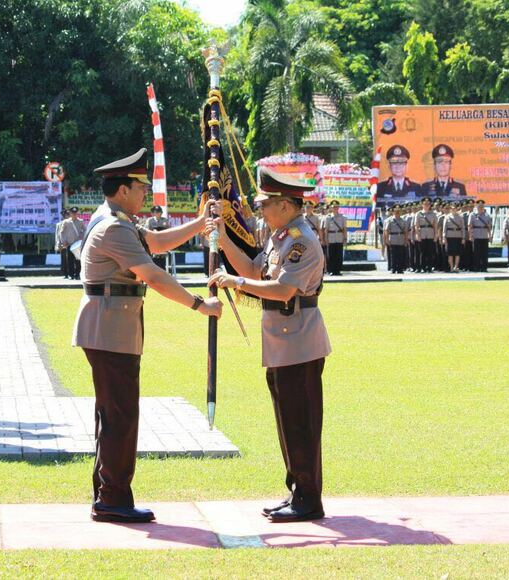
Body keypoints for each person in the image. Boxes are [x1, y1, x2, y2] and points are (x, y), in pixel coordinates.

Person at [72, 148, 222, 523]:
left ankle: (108, 492)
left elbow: (155, 243)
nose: (145, 193)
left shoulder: (116, 219)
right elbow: (154, 274)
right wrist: (199, 304)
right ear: (123, 189)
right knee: (120, 416)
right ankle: (112, 498)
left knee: (114, 415)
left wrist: (200, 222)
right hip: (110, 330)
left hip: (113, 328)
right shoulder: (115, 226)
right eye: (140, 186)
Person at [207, 167, 330, 523]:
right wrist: (224, 239)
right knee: (287, 420)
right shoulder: (281, 238)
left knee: (301, 422)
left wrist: (236, 281)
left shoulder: (301, 241)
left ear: (288, 205)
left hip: (300, 342)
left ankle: (309, 498)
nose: (260, 210)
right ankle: (297, 489)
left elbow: (281, 290)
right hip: (282, 341)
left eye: (266, 204)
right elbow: (253, 268)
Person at [413, 198, 437, 273]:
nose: (427, 205)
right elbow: (416, 226)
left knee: (430, 252)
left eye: (428, 204)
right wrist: (417, 235)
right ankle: (421, 267)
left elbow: (435, 226)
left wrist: (436, 236)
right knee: (421, 252)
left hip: (430, 234)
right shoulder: (418, 214)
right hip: (422, 234)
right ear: (422, 205)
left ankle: (429, 267)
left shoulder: (433, 214)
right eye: (425, 204)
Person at [467, 200, 492, 272]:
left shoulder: (487, 215)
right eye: (479, 205)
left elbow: (489, 226)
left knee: (484, 253)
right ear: (476, 206)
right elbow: (469, 226)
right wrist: (470, 235)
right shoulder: (472, 214)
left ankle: (484, 267)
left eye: (482, 205)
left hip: (484, 236)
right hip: (476, 235)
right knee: (476, 252)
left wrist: (490, 235)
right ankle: (476, 267)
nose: (480, 207)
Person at [323, 200, 346, 275]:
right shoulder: (328, 218)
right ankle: (331, 270)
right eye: (334, 207)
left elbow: (345, 229)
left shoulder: (343, 217)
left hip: (339, 237)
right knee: (331, 255)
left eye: (337, 207)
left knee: (339, 255)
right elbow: (326, 230)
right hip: (331, 238)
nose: (335, 208)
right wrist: (326, 240)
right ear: (331, 208)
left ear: (338, 207)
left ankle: (338, 270)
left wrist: (345, 238)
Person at [384, 205, 409, 274]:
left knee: (400, 254)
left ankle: (400, 268)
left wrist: (406, 240)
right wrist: (387, 239)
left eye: (399, 211)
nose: (397, 212)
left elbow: (406, 231)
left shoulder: (404, 220)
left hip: (401, 238)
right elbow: (386, 230)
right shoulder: (390, 220)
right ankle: (393, 268)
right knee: (393, 255)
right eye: (396, 211)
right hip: (393, 238)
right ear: (393, 212)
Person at [145, 205, 170, 271]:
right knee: (154, 262)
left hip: (162, 242)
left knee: (162, 263)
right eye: (156, 212)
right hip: (153, 241)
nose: (158, 213)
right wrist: (153, 231)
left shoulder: (164, 220)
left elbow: (168, 230)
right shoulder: (150, 220)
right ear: (153, 213)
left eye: (159, 212)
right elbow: (146, 231)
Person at [442, 202, 465, 272]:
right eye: (452, 208)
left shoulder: (460, 217)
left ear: (456, 209)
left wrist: (463, 238)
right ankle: (451, 267)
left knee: (457, 253)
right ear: (450, 209)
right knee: (450, 253)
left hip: (458, 236)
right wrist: (444, 237)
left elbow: (463, 228)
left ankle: (456, 266)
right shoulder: (447, 217)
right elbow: (444, 228)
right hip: (449, 236)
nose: (453, 209)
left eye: (454, 208)